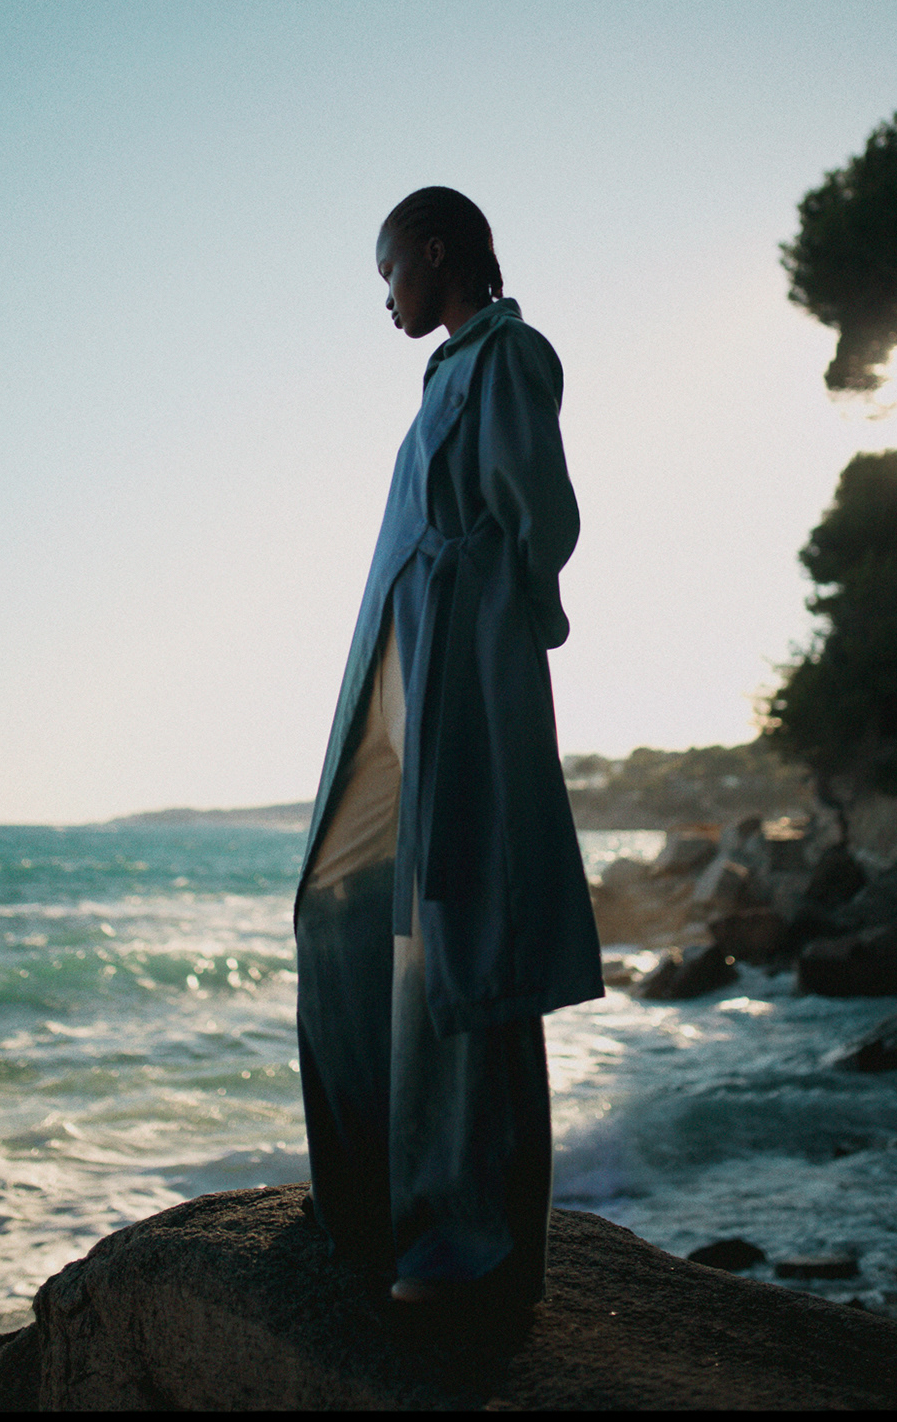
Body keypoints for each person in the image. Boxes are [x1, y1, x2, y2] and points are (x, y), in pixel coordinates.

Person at [293, 186, 603, 1308]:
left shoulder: (509, 354)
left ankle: (465, 1238)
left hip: (457, 671)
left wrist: (493, 631)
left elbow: (543, 521)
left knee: (462, 928)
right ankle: (368, 1196)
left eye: (391, 273)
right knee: (336, 902)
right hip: (393, 669)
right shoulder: (443, 375)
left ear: (436, 252)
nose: (387, 298)